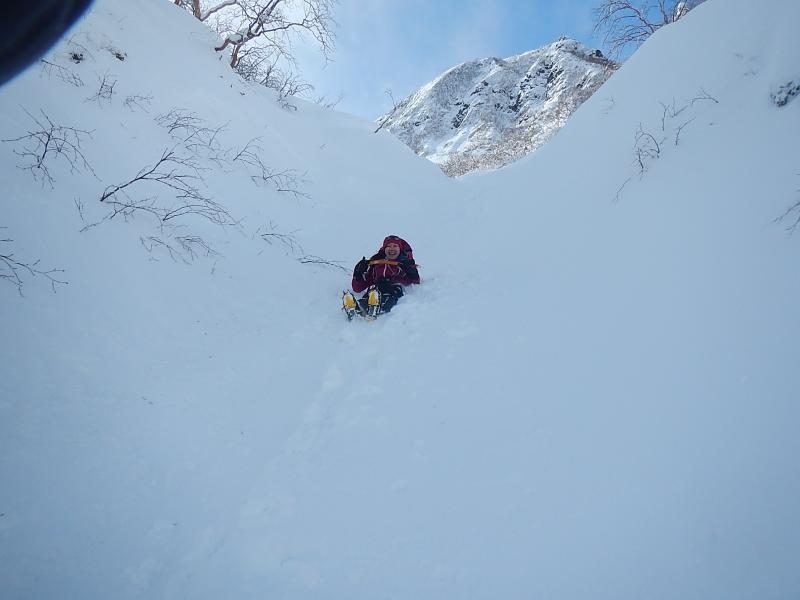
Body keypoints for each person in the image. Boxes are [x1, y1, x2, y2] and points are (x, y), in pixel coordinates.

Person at [347, 235, 420, 317]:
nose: (392, 248)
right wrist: (358, 274)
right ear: (384, 249)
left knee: (388, 297)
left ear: (400, 249)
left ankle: (377, 308)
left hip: (394, 289)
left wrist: (411, 270)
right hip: (376, 288)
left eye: (395, 246)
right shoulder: (376, 264)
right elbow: (357, 288)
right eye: (388, 246)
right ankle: (357, 308)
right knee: (370, 295)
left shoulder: (403, 264)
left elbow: (415, 281)